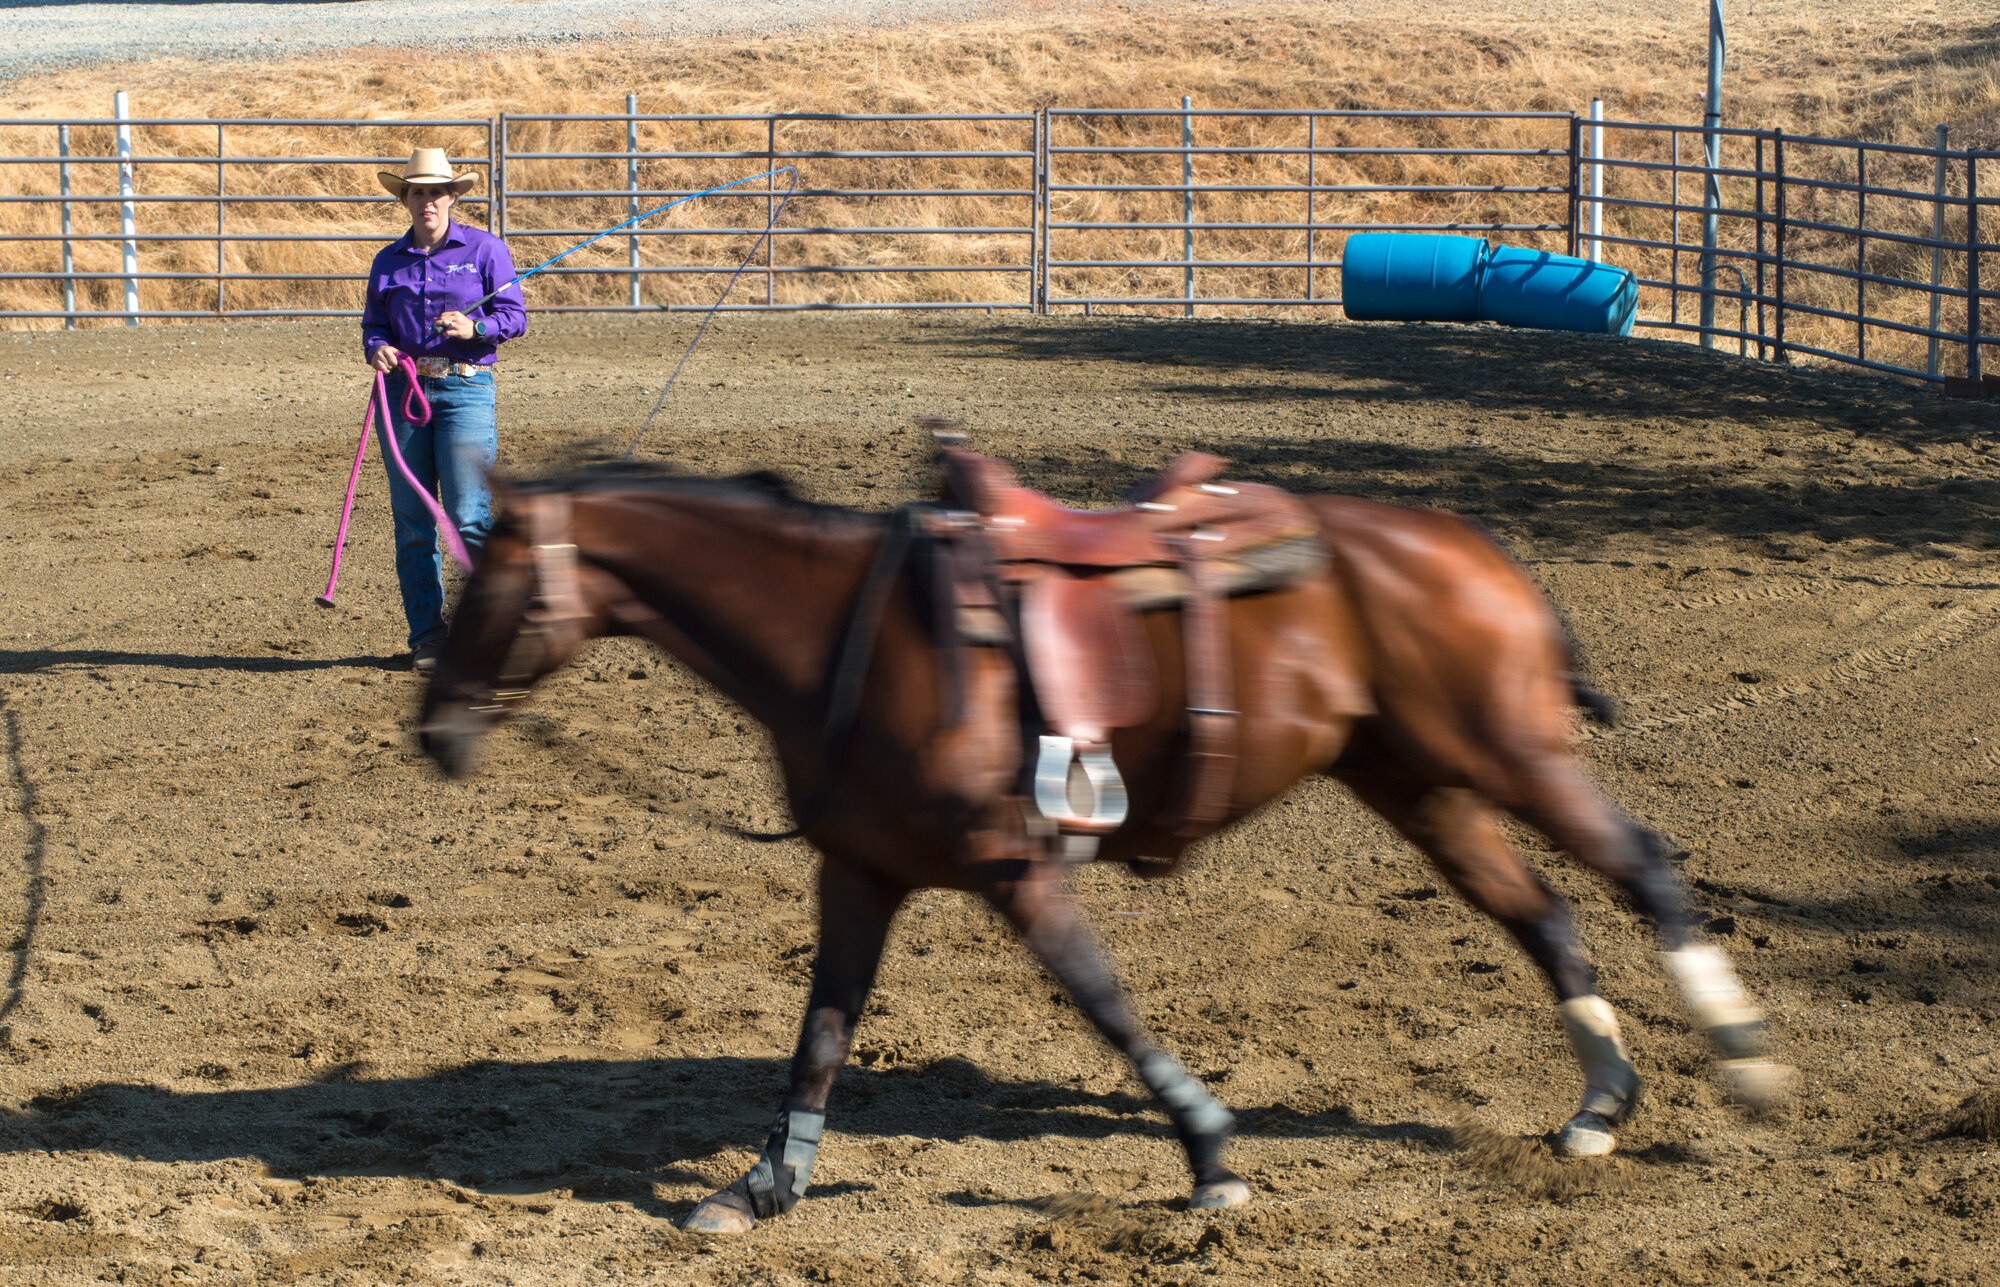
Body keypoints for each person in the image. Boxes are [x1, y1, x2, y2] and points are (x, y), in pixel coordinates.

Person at [361, 147, 526, 671]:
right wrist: (377, 347)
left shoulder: (485, 250)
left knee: (469, 515)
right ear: (405, 199)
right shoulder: (388, 261)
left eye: (436, 191)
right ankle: (428, 638)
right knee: (412, 522)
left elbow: (514, 315)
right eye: (418, 192)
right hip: (402, 395)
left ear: (453, 197)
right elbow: (374, 323)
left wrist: (476, 328)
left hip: (465, 390)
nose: (427, 201)